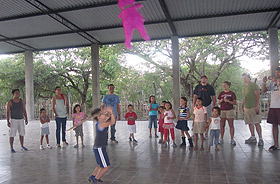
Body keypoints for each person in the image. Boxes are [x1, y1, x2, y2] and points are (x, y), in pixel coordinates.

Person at [88, 107, 115, 183]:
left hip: (98, 147)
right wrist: (111, 112)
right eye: (102, 114)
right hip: (100, 148)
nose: (104, 114)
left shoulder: (100, 122)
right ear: (98, 117)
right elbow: (112, 122)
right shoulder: (102, 123)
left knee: (100, 164)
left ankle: (92, 176)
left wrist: (108, 112)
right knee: (106, 166)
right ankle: (96, 179)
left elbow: (108, 117)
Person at [242, 73, 263, 146]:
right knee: (249, 122)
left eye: (245, 78)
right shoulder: (244, 87)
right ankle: (253, 136)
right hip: (246, 107)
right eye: (243, 78)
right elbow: (244, 97)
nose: (244, 79)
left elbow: (257, 95)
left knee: (256, 122)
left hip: (253, 107)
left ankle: (260, 138)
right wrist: (242, 105)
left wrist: (256, 106)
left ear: (249, 78)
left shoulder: (253, 85)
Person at [262, 67, 280, 151]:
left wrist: (277, 83)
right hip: (273, 106)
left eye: (278, 72)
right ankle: (276, 144)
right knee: (274, 125)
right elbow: (264, 90)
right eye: (276, 73)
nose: (277, 74)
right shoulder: (272, 83)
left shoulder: (276, 82)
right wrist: (264, 82)